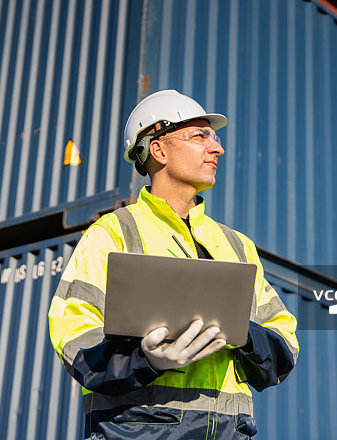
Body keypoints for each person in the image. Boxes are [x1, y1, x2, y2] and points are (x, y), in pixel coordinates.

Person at [49, 89, 299, 439]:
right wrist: (144, 361)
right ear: (159, 149)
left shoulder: (237, 246)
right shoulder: (113, 233)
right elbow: (75, 338)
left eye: (215, 138)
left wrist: (242, 333)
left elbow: (284, 345)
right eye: (200, 136)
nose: (217, 148)